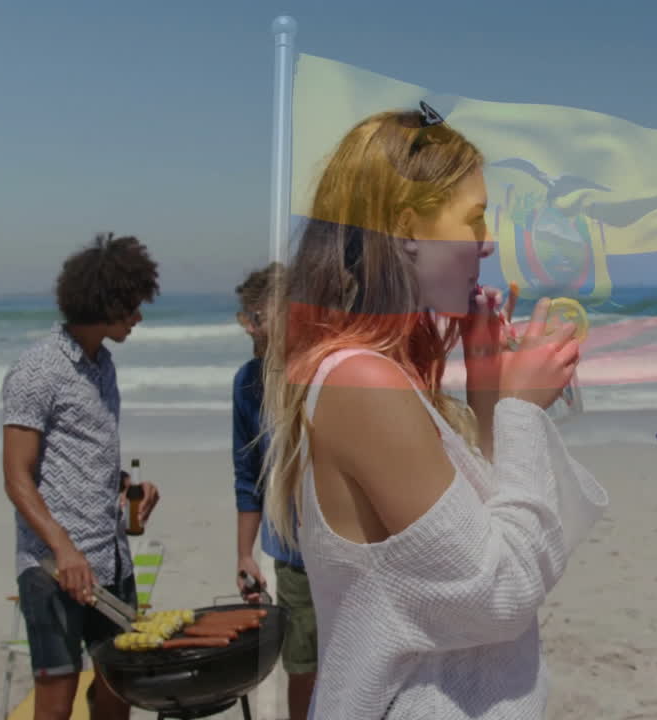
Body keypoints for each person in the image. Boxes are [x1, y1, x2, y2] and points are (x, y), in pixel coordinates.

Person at [262, 103, 608, 719]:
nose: (488, 241)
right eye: (473, 219)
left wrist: (487, 392)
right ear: (406, 232)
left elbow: (477, 544)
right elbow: (500, 591)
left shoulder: (384, 376)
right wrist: (523, 412)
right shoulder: (361, 381)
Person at [2, 232, 162, 720]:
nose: (138, 316)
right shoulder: (37, 370)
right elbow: (16, 476)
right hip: (53, 565)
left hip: (110, 557)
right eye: (132, 306)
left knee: (120, 685)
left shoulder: (104, 366)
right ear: (106, 303)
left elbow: (78, 456)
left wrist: (127, 487)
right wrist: (63, 547)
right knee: (56, 696)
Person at [231, 261, 317, 720]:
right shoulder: (247, 384)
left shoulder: (326, 370)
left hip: (349, 549)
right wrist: (246, 555)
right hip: (292, 554)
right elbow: (248, 478)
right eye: (251, 318)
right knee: (302, 666)